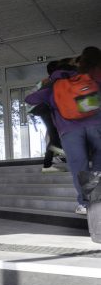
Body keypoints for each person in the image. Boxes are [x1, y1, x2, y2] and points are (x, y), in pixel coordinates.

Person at [26, 48, 101, 215]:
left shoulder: (53, 84)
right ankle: (96, 187)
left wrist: (47, 86)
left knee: (79, 167)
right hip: (96, 125)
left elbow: (29, 99)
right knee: (98, 159)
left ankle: (85, 202)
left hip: (69, 131)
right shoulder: (88, 77)